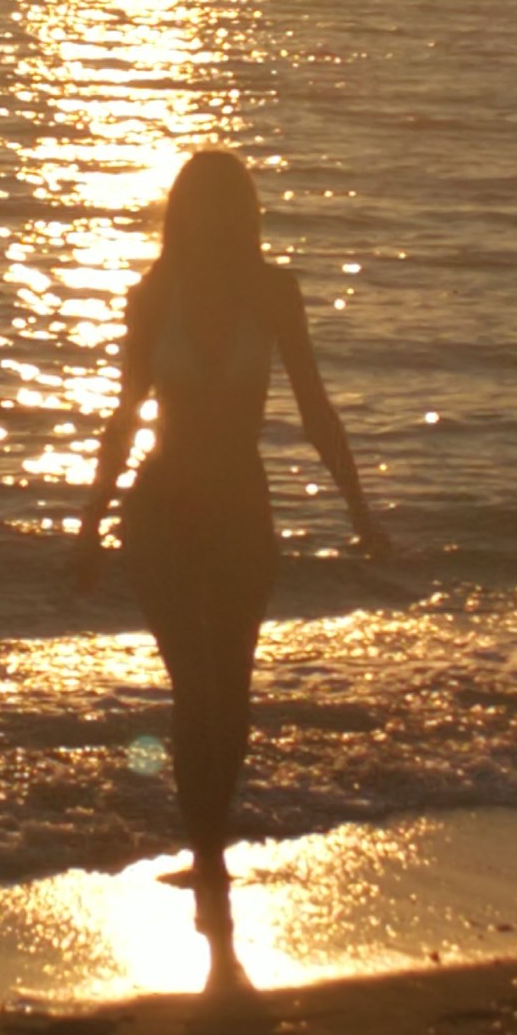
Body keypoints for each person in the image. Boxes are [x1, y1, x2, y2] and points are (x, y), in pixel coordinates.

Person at [74, 149, 388, 915]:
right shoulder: (152, 298)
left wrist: (361, 513)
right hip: (161, 513)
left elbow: (314, 408)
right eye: (200, 206)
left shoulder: (276, 293)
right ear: (185, 215)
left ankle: (210, 844)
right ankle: (207, 854)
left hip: (242, 510)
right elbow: (123, 417)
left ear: (242, 216)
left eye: (225, 206)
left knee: (232, 692)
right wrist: (87, 526)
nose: (212, 220)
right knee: (195, 691)